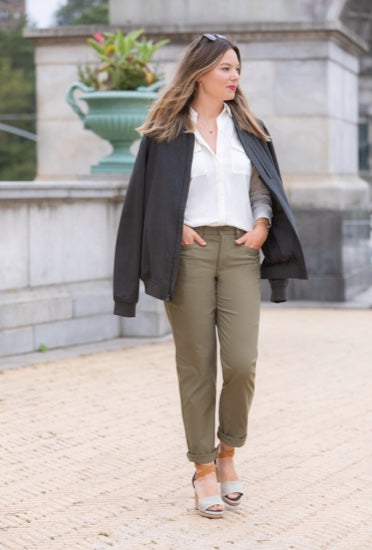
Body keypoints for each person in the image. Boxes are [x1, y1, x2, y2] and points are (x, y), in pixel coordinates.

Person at [113, 33, 307, 519]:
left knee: (241, 363)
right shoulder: (165, 131)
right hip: (190, 252)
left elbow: (265, 186)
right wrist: (173, 226)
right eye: (225, 68)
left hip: (241, 250)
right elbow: (148, 197)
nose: (234, 76)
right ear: (200, 72)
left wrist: (262, 224)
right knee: (197, 365)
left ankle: (228, 453)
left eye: (237, 68)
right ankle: (202, 469)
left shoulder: (250, 127)